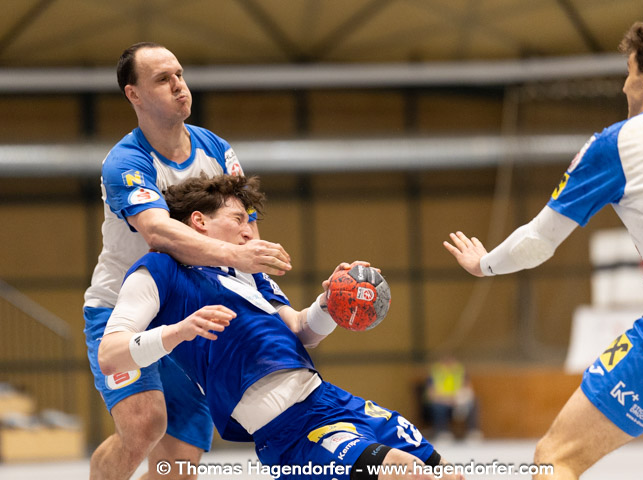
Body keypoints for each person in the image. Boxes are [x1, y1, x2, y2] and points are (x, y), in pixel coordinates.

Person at [444, 19, 643, 479]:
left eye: (628, 71)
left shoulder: (619, 142)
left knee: (556, 457)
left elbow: (538, 241)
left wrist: (484, 264)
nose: (624, 84)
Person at [98, 174, 463, 480]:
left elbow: (303, 332)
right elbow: (110, 355)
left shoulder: (251, 274)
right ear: (199, 221)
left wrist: (330, 303)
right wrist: (177, 332)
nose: (249, 231)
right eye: (239, 219)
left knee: (447, 473)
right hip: (290, 430)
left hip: (332, 401)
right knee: (405, 472)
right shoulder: (160, 269)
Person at [83, 42, 292, 480]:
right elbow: (158, 232)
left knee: (178, 467)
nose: (179, 86)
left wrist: (264, 289)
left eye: (179, 74)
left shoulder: (216, 148)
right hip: (123, 308)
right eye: (163, 79)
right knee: (144, 424)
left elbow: (243, 224)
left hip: (188, 312)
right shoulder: (126, 161)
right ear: (134, 95)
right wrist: (236, 255)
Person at [423, 356, 480, 441]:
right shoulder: (436, 372)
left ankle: (472, 432)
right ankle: (442, 432)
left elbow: (469, 389)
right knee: (438, 407)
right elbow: (431, 394)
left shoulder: (460, 371)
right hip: (442, 401)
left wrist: (460, 399)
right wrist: (446, 400)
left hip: (458, 401)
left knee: (472, 403)